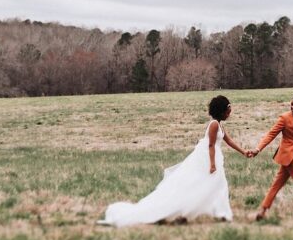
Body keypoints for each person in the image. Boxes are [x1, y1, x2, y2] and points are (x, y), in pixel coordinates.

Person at [99, 95, 252, 227]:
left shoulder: (219, 125)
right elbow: (211, 145)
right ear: (221, 111)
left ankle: (221, 212)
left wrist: (243, 151)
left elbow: (229, 141)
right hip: (206, 158)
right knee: (200, 184)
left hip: (214, 157)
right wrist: (212, 164)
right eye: (228, 111)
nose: (229, 114)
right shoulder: (213, 125)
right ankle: (193, 212)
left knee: (218, 184)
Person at [250, 94, 293, 220]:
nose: (292, 107)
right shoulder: (284, 118)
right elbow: (271, 134)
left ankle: (263, 210)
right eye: (291, 104)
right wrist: (258, 149)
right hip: (286, 155)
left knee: (277, 184)